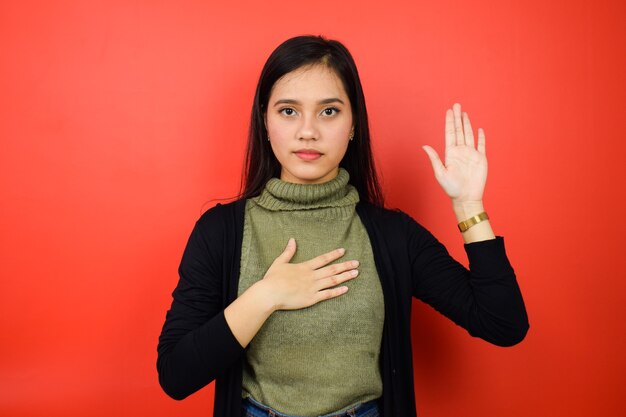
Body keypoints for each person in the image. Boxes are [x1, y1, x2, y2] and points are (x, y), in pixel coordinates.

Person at [157, 35, 529, 417]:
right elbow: (176, 375)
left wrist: (469, 204)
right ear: (265, 122)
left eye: (329, 111)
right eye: (288, 111)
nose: (308, 131)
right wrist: (266, 295)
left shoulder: (392, 235)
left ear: (353, 125)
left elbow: (502, 324)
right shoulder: (220, 232)